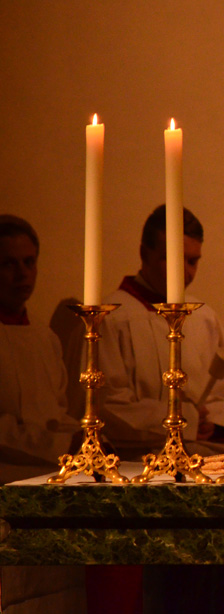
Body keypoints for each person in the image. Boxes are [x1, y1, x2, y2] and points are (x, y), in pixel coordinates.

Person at [92, 205, 224, 459]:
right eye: (173, 259)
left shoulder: (202, 316)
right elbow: (107, 406)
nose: (185, 272)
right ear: (144, 254)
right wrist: (184, 420)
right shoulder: (110, 317)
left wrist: (214, 424)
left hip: (202, 450)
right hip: (136, 458)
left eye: (192, 261)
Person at [0, 215, 85, 613]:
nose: (22, 274)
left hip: (50, 488)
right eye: (8, 263)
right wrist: (62, 442)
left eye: (29, 262)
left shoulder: (46, 337)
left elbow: (57, 411)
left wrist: (86, 436)